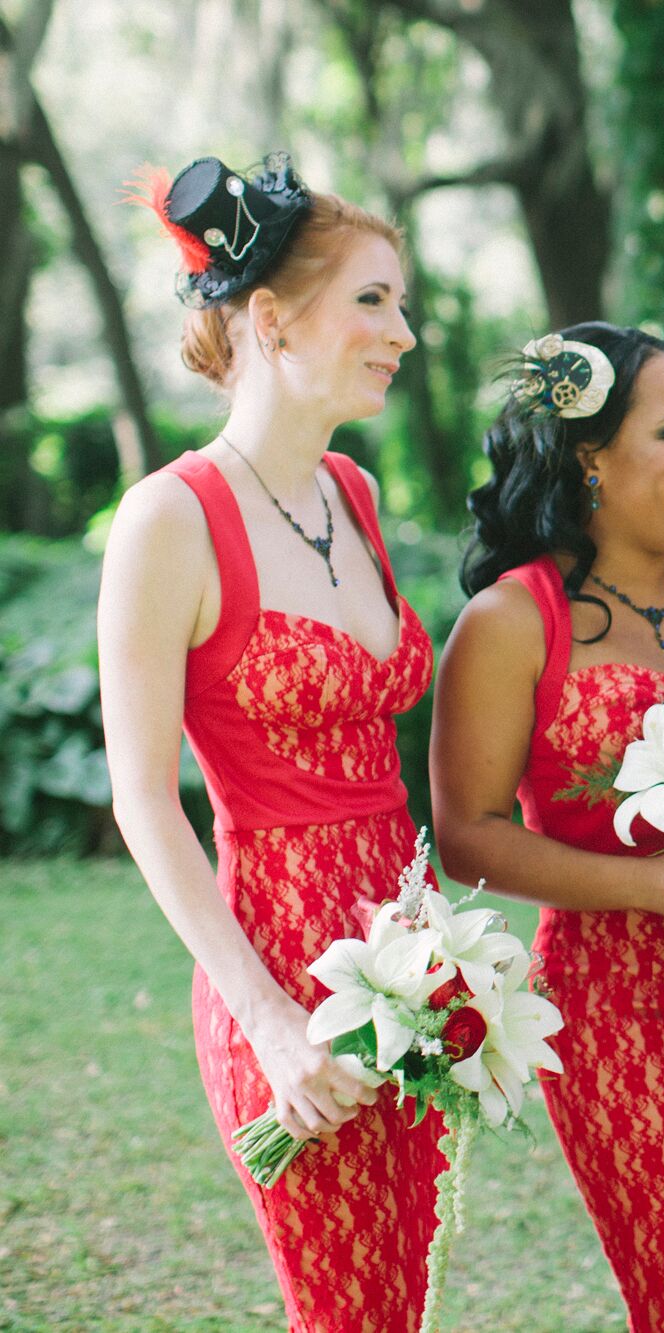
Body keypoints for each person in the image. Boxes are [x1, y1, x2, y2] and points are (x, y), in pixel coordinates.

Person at [99, 153, 440, 1328]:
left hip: (411, 951)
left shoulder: (351, 489)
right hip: (285, 968)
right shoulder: (169, 519)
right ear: (270, 316)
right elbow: (143, 797)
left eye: (401, 303)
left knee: (400, 1295)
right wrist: (269, 1021)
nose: (404, 331)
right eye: (374, 300)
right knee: (342, 1305)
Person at [429, 323, 664, 1332]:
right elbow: (466, 830)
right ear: (590, 458)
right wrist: (654, 886)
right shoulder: (512, 622)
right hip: (615, 1012)